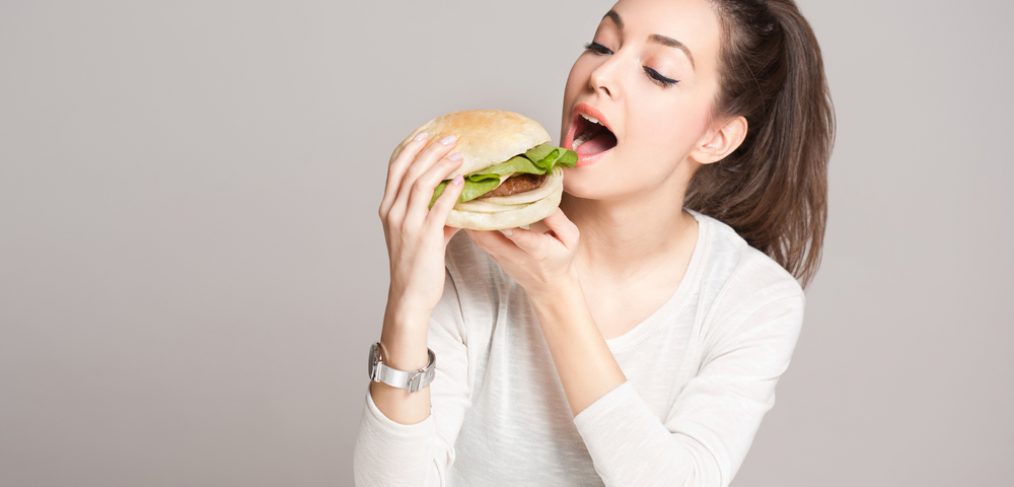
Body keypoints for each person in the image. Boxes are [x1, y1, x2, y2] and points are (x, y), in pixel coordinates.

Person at [355, 0, 834, 485]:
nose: (602, 72)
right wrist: (407, 309)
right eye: (601, 44)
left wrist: (555, 295)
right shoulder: (473, 247)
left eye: (657, 72)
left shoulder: (752, 299)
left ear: (715, 138)